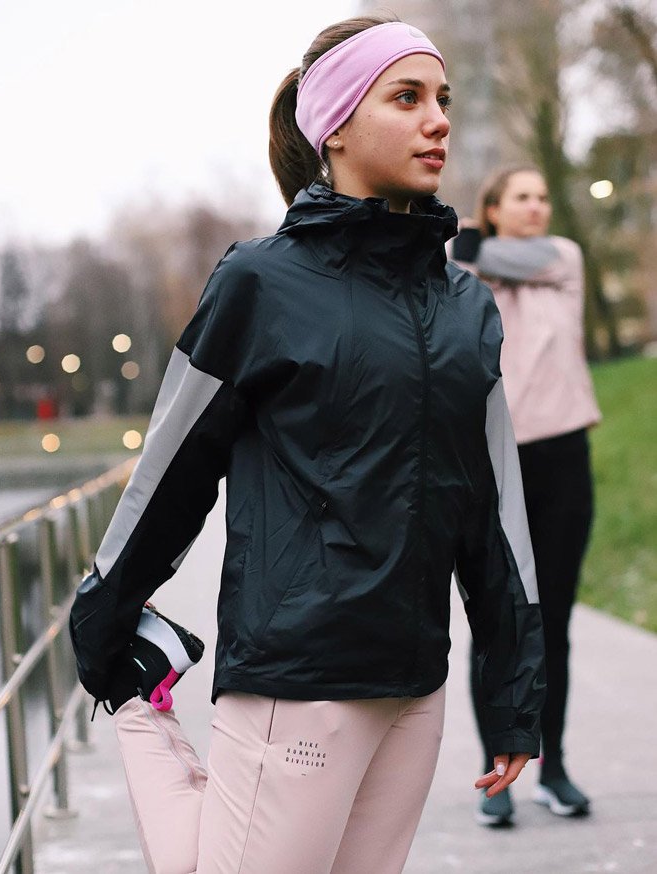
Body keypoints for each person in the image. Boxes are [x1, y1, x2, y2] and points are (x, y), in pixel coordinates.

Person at [69, 16, 546, 874]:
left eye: (443, 99)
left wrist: (516, 692)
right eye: (407, 97)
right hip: (298, 681)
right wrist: (104, 614)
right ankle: (145, 703)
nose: (439, 120)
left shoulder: (468, 306)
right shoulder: (260, 281)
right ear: (335, 125)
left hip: (415, 692)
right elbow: (174, 468)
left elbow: (494, 513)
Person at [452, 164, 601, 827]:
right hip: (493, 461)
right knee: (497, 624)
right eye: (522, 198)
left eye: (543, 197)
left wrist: (469, 239)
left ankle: (554, 768)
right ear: (494, 207)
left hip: (563, 459)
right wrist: (464, 245)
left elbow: (474, 250)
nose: (538, 206)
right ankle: (496, 776)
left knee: (554, 624)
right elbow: (455, 262)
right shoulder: (465, 272)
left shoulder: (561, 258)